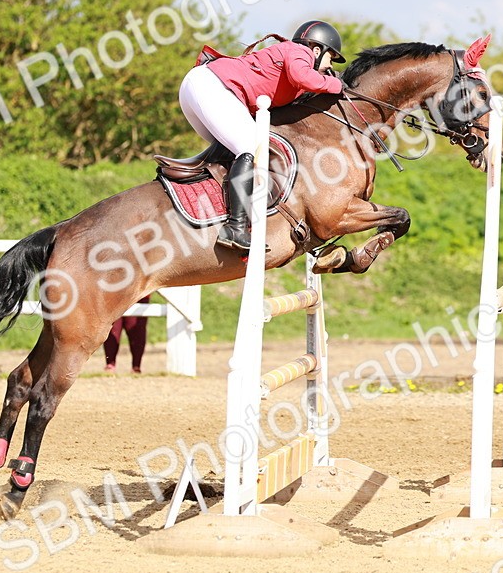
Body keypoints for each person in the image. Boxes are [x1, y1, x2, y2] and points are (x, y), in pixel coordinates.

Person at [178, 20, 346, 251]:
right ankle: (235, 228)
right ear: (317, 49)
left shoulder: (294, 67)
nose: (329, 67)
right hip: (210, 86)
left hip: (200, 87)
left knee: (234, 153)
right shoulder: (298, 51)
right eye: (330, 59)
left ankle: (208, 212)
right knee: (250, 146)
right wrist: (336, 84)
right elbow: (304, 77)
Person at [104, 295, 151, 373]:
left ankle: (136, 366)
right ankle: (110, 364)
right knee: (113, 329)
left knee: (136, 330)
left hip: (139, 294)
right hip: (114, 292)